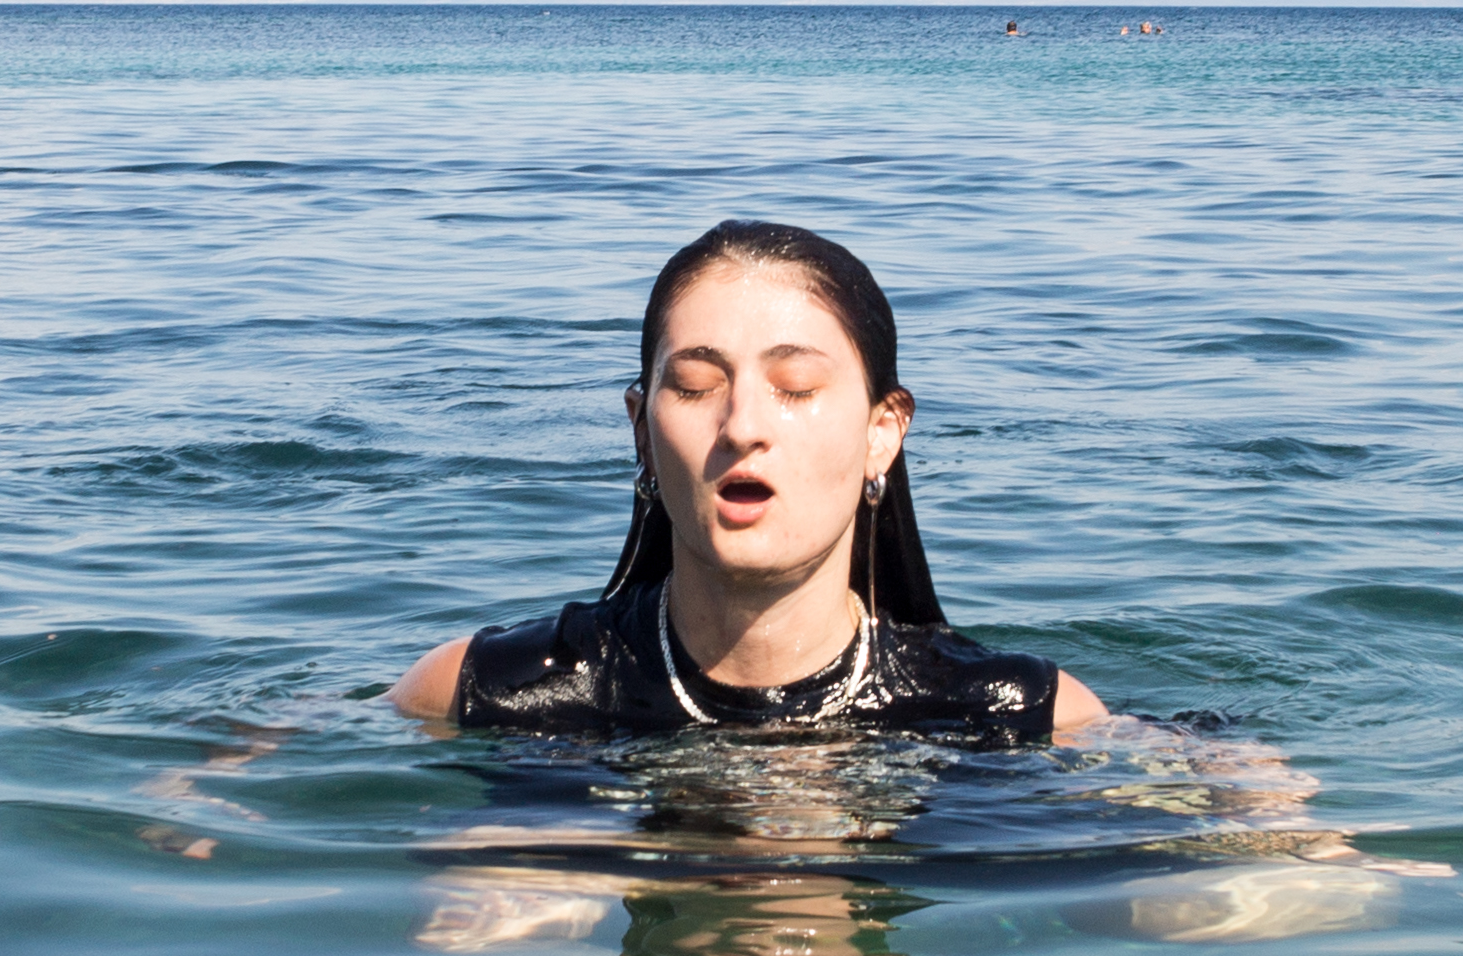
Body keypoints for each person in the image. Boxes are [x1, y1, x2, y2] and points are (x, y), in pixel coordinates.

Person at [390, 221, 1106, 741]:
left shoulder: (1015, 716)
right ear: (641, 429)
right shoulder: (489, 692)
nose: (741, 425)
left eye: (795, 387)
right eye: (697, 385)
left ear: (881, 434)